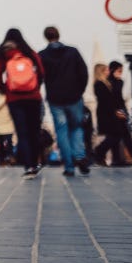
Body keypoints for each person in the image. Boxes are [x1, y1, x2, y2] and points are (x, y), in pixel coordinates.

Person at [0, 28, 46, 179]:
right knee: (34, 131)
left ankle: (28, 166)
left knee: (22, 132)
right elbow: (41, 72)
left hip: (14, 99)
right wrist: (35, 86)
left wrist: (5, 89)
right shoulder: (29, 52)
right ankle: (35, 163)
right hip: (33, 97)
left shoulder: (3, 54)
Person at [38, 27, 91, 177]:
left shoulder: (42, 55)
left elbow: (39, 78)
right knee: (77, 128)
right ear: (58, 35)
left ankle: (69, 166)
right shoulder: (72, 52)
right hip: (74, 97)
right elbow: (84, 72)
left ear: (46, 37)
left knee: (62, 131)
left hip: (55, 99)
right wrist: (79, 90)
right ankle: (80, 156)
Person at [92, 62, 132, 166]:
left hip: (112, 113)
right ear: (101, 72)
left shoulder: (107, 83)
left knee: (115, 136)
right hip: (107, 114)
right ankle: (99, 150)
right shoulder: (99, 84)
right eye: (106, 70)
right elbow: (107, 101)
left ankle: (115, 159)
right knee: (115, 136)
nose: (109, 72)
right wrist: (116, 112)